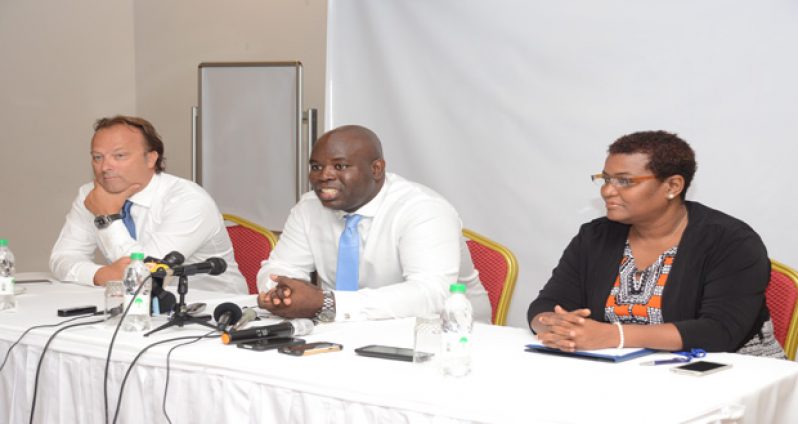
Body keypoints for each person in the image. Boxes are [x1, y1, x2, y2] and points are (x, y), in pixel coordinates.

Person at [528, 130, 784, 358]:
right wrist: (554, 325)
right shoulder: (595, 236)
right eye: (606, 179)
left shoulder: (730, 241)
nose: (607, 191)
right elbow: (547, 303)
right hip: (627, 372)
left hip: (735, 374)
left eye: (624, 181)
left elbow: (719, 331)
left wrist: (612, 336)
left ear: (672, 186)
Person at [256, 125, 491, 322]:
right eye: (316, 167)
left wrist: (328, 303)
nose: (323, 175)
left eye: (340, 166)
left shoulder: (423, 209)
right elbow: (280, 268)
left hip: (449, 337)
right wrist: (281, 291)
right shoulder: (309, 208)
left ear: (376, 169)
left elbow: (431, 294)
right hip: (345, 330)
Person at [50, 115, 247, 293]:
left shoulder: (189, 200)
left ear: (151, 158)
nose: (105, 167)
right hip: (135, 307)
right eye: (97, 157)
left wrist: (108, 217)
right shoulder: (91, 194)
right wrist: (100, 275)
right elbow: (62, 258)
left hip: (213, 312)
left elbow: (146, 277)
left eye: (119, 156)